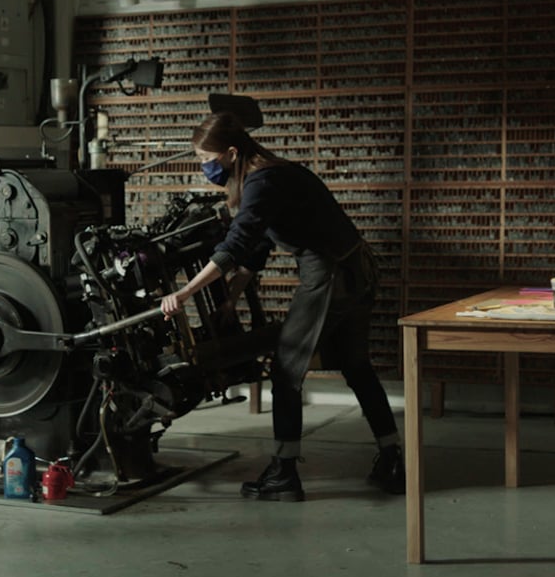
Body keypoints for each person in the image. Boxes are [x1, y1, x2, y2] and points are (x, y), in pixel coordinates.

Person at [160, 110, 405, 502]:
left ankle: (283, 473)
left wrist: (184, 292)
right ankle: (392, 457)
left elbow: (236, 245)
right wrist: (233, 298)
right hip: (356, 273)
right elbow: (257, 248)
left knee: (286, 370)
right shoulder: (274, 173)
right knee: (357, 367)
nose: (205, 168)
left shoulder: (261, 182)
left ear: (231, 153)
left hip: (329, 275)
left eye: (207, 160)